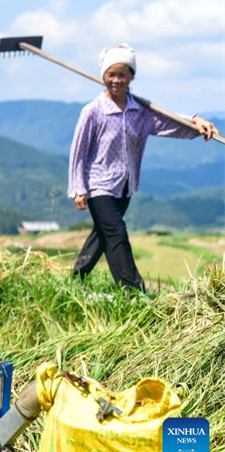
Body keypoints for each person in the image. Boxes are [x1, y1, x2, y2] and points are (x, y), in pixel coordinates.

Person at [68, 44, 218, 292]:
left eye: (122, 75)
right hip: (98, 185)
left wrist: (196, 123)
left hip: (125, 185)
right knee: (116, 233)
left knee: (102, 234)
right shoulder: (93, 111)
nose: (116, 80)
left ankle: (75, 281)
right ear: (103, 76)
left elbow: (170, 123)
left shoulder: (140, 111)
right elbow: (78, 151)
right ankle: (133, 292)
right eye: (111, 75)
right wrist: (78, 188)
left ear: (132, 77)